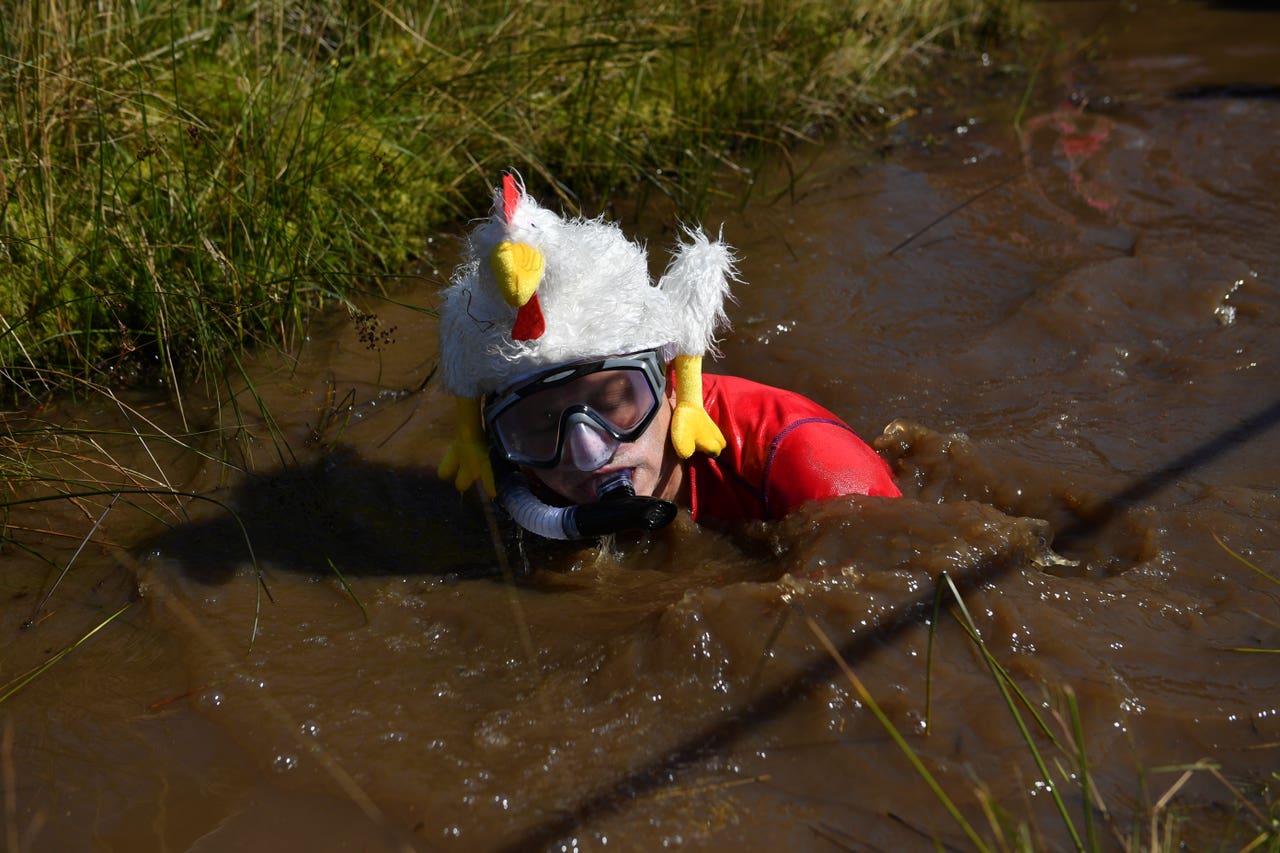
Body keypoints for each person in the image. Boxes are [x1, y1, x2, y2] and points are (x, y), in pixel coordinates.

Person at [437, 174, 899, 540]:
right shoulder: (526, 473)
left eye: (615, 401)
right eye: (539, 424)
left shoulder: (811, 466)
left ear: (667, 383)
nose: (586, 453)